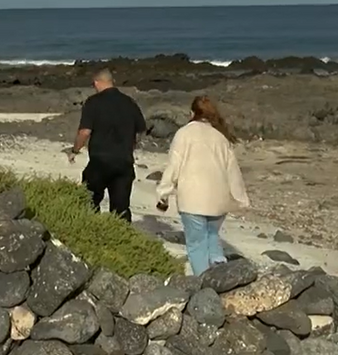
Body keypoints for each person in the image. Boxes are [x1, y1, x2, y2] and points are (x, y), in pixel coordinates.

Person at [155, 96, 250, 276]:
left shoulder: (184, 134)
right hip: (219, 200)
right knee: (213, 237)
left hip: (193, 200)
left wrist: (163, 193)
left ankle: (205, 282)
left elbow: (173, 167)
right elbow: (233, 171)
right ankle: (221, 275)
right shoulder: (221, 137)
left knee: (197, 244)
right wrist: (240, 199)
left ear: (192, 114)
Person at [65, 68, 146, 222]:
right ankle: (121, 240)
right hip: (124, 162)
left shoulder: (93, 102)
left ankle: (92, 234)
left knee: (89, 202)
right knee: (121, 208)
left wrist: (75, 150)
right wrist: (130, 146)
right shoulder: (129, 102)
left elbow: (85, 132)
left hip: (100, 161)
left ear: (97, 82)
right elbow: (140, 130)